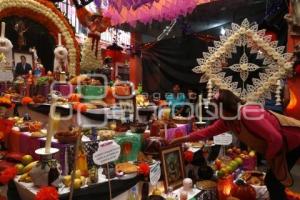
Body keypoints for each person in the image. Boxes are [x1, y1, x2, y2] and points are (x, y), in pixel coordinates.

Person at [171, 89, 300, 200]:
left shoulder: (248, 113)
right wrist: (178, 140)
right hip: (281, 145)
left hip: (293, 139)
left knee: (273, 183)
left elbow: (276, 138)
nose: (214, 112)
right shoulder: (228, 120)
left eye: (215, 108)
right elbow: (205, 132)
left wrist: (269, 157)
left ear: (224, 107)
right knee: (274, 182)